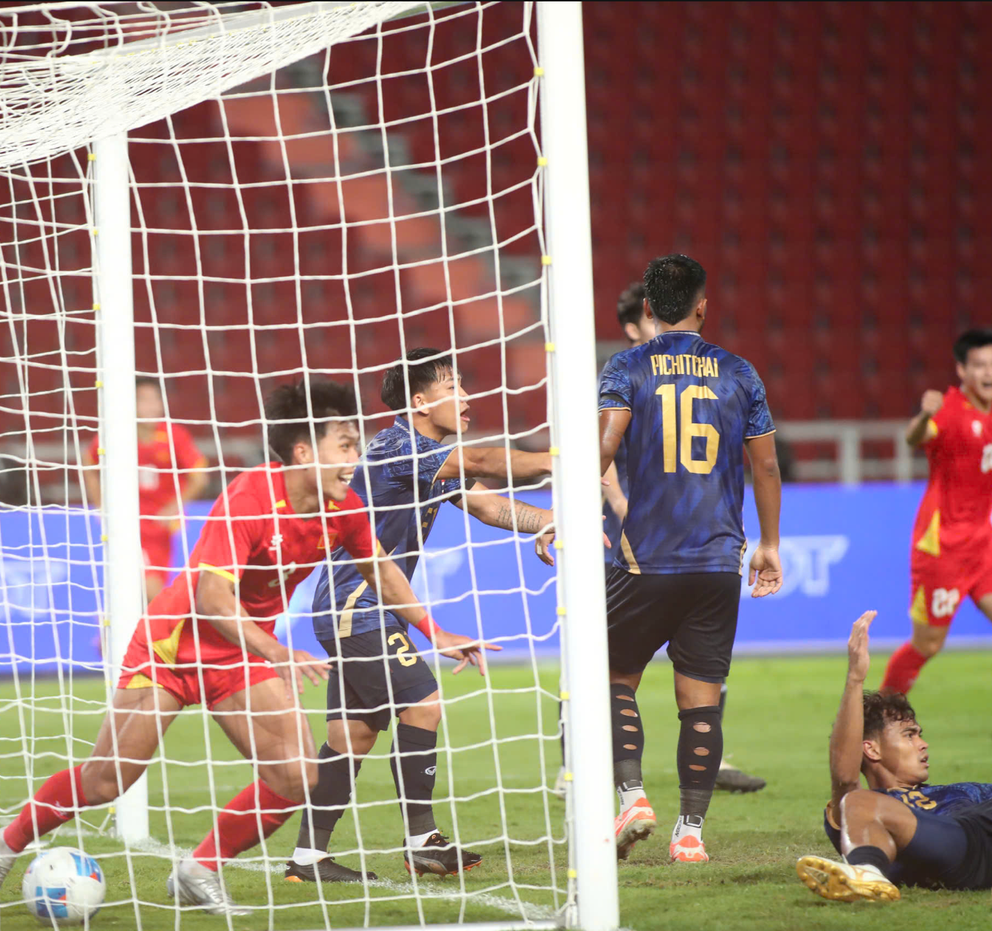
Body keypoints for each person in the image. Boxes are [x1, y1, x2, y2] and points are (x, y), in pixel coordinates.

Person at [0, 379, 490, 918]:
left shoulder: (344, 507)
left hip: (240, 652)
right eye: (346, 446)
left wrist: (435, 631)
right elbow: (212, 597)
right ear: (304, 452)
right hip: (172, 646)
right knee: (106, 781)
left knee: (296, 776)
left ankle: (199, 869)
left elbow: (380, 569)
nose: (356, 459)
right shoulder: (251, 496)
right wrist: (276, 652)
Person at [285, 347, 554, 883]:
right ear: (420, 402)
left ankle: (308, 858)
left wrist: (550, 521)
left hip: (368, 607)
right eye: (454, 387)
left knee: (353, 736)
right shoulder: (397, 447)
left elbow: (489, 506)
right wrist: (557, 459)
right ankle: (422, 841)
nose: (467, 397)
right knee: (424, 704)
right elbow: (480, 462)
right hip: (357, 605)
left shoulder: (430, 459)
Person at [596, 254, 783, 864]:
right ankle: (691, 834)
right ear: (703, 307)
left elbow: (605, 445)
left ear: (649, 308)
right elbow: (766, 466)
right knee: (700, 698)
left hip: (646, 556)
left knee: (611, 676)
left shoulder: (626, 366)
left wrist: (568, 512)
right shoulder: (739, 372)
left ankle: (632, 798)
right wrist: (769, 543)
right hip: (717, 560)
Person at [797, 611, 992, 902]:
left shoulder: (963, 791)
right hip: (964, 848)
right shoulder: (858, 814)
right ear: (871, 749)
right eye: (909, 735)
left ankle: (865, 873)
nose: (923, 744)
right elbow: (845, 778)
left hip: (980, 829)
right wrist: (855, 679)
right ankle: (867, 873)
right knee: (858, 801)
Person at [880, 329, 992, 695]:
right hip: (942, 547)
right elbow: (914, 437)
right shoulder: (949, 409)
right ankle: (878, 716)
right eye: (980, 365)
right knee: (928, 644)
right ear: (962, 370)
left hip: (982, 544)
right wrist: (924, 414)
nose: (988, 373)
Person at [83, 376, 209, 603]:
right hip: (128, 523)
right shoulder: (114, 435)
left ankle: (109, 627)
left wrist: (175, 506)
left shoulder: (174, 435)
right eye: (143, 399)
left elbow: (200, 477)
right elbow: (89, 463)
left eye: (155, 399)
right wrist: (100, 504)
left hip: (160, 527)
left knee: (144, 594)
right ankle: (169, 624)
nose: (152, 405)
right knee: (151, 591)